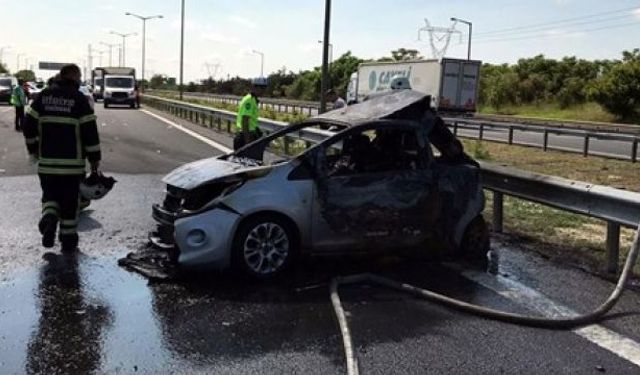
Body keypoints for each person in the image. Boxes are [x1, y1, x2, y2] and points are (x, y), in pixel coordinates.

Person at [22, 64, 101, 253]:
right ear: (73, 76)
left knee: (50, 197)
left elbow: (28, 125)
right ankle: (68, 240)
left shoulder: (43, 96)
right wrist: (94, 159)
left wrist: (33, 148)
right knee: (69, 203)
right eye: (79, 75)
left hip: (47, 164)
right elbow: (90, 132)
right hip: (72, 167)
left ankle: (49, 218)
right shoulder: (79, 99)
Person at [234, 77, 267, 150]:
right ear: (254, 87)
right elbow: (245, 120)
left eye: (264, 88)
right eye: (261, 87)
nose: (263, 90)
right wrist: (248, 142)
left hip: (249, 134)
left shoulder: (253, 99)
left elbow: (251, 120)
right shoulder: (249, 100)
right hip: (246, 136)